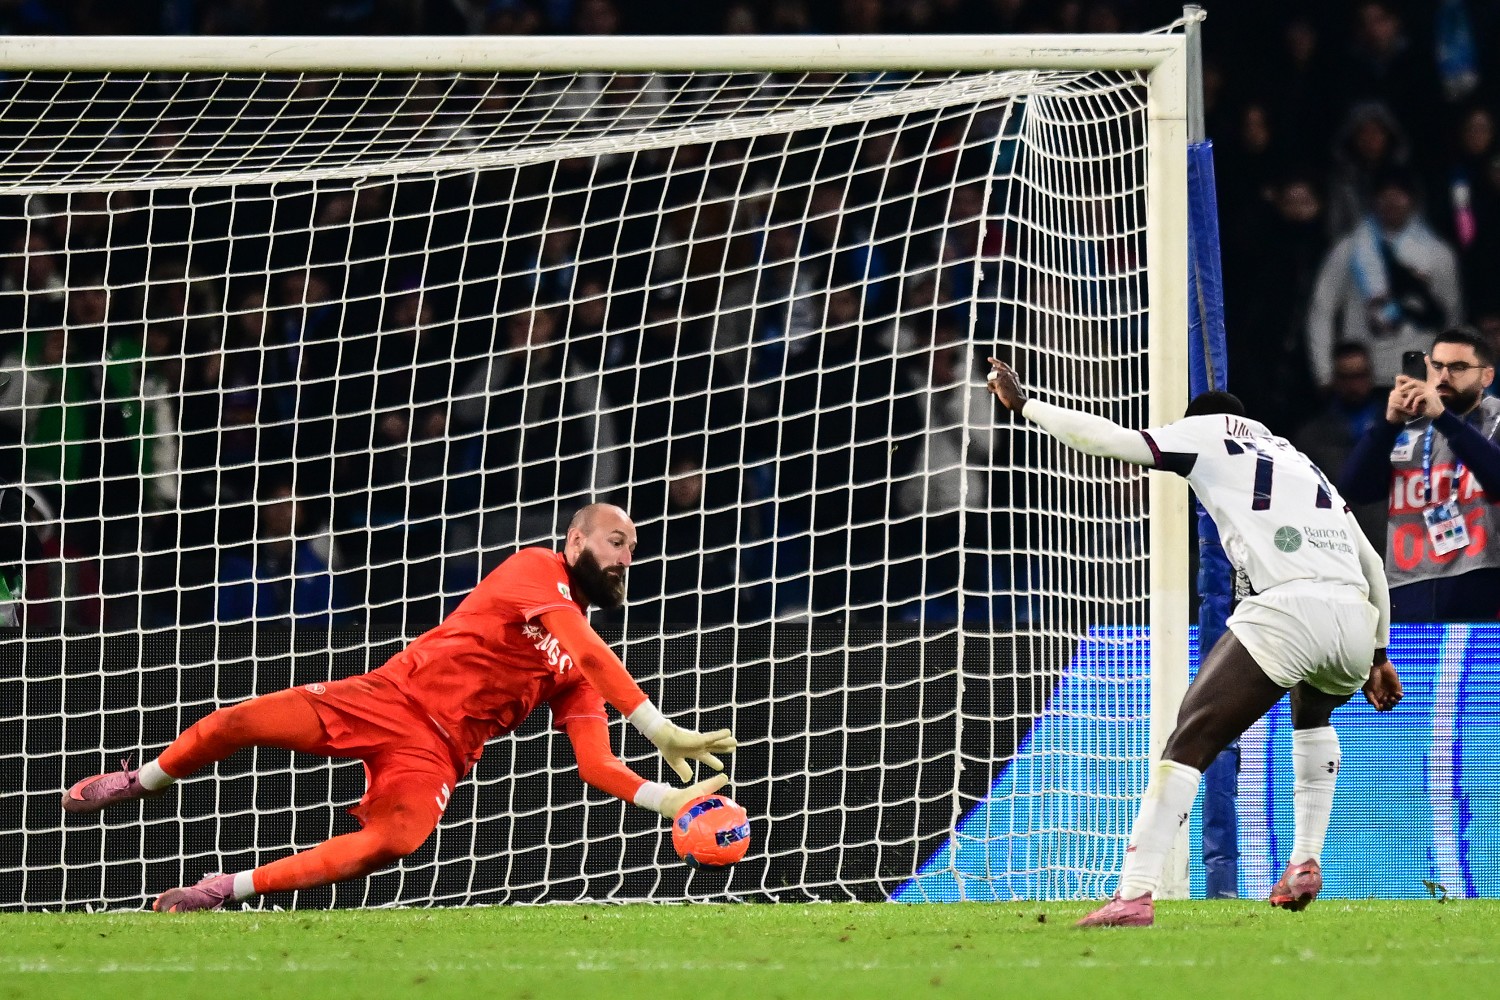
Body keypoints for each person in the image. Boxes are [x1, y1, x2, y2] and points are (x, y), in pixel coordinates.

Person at [61, 503, 736, 912]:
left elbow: (595, 764)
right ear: (575, 541)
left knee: (396, 841)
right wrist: (659, 727)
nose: (627, 557)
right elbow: (587, 649)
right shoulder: (537, 569)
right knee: (242, 720)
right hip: (388, 698)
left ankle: (223, 889)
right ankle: (142, 779)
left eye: (634, 549)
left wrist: (668, 802)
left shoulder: (578, 668)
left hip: (436, 753)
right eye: (617, 541)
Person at [983, 358, 1402, 928]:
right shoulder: (1298, 460)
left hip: (1290, 607)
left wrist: (1026, 405)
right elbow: (1372, 562)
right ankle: (1304, 861)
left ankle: (1134, 893)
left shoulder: (1205, 433)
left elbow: (1114, 441)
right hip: (1355, 616)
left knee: (1189, 740)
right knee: (1313, 712)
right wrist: (1378, 654)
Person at [1339, 327, 1500, 620]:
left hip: (1483, 582)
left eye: (1458, 367)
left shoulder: (1497, 419)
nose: (1444, 376)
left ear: (1487, 376)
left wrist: (1444, 419)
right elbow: (1356, 489)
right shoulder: (1406, 426)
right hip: (1408, 586)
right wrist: (1388, 424)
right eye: (1437, 366)